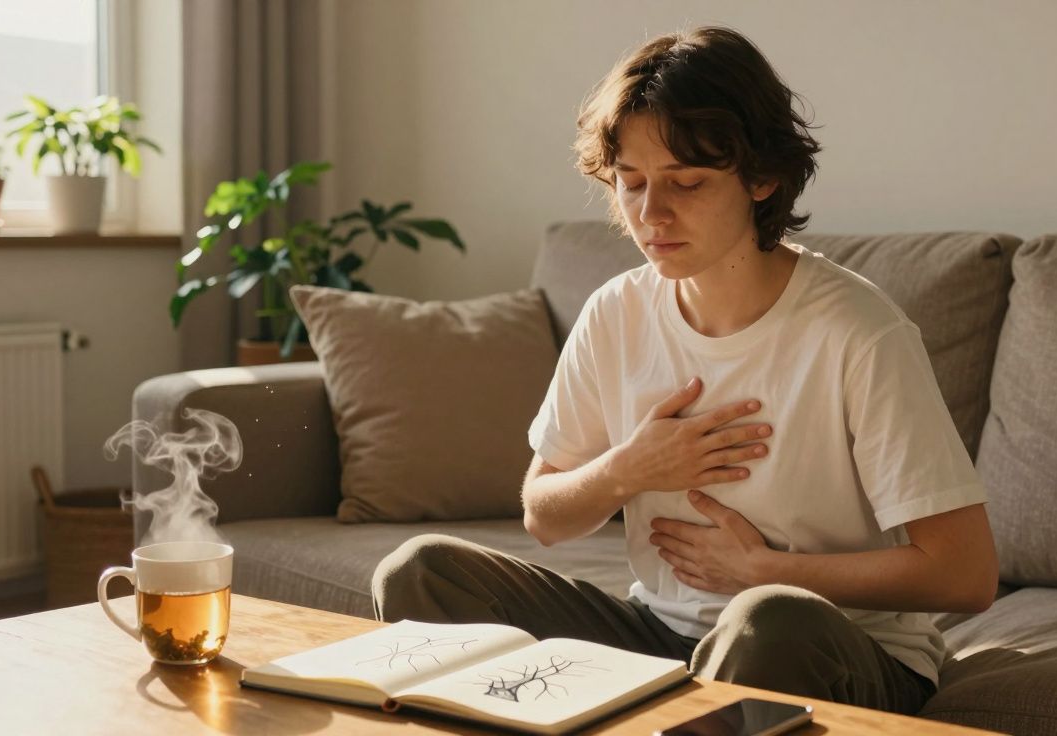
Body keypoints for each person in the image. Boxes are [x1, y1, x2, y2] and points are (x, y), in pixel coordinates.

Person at [372, 25, 998, 715]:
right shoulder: (617, 312)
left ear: (762, 177)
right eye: (631, 183)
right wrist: (628, 469)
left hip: (836, 646)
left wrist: (767, 572)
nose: (651, 214)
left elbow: (965, 574)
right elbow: (542, 515)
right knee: (421, 574)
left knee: (765, 618)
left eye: (686, 182)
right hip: (663, 638)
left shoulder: (857, 332)